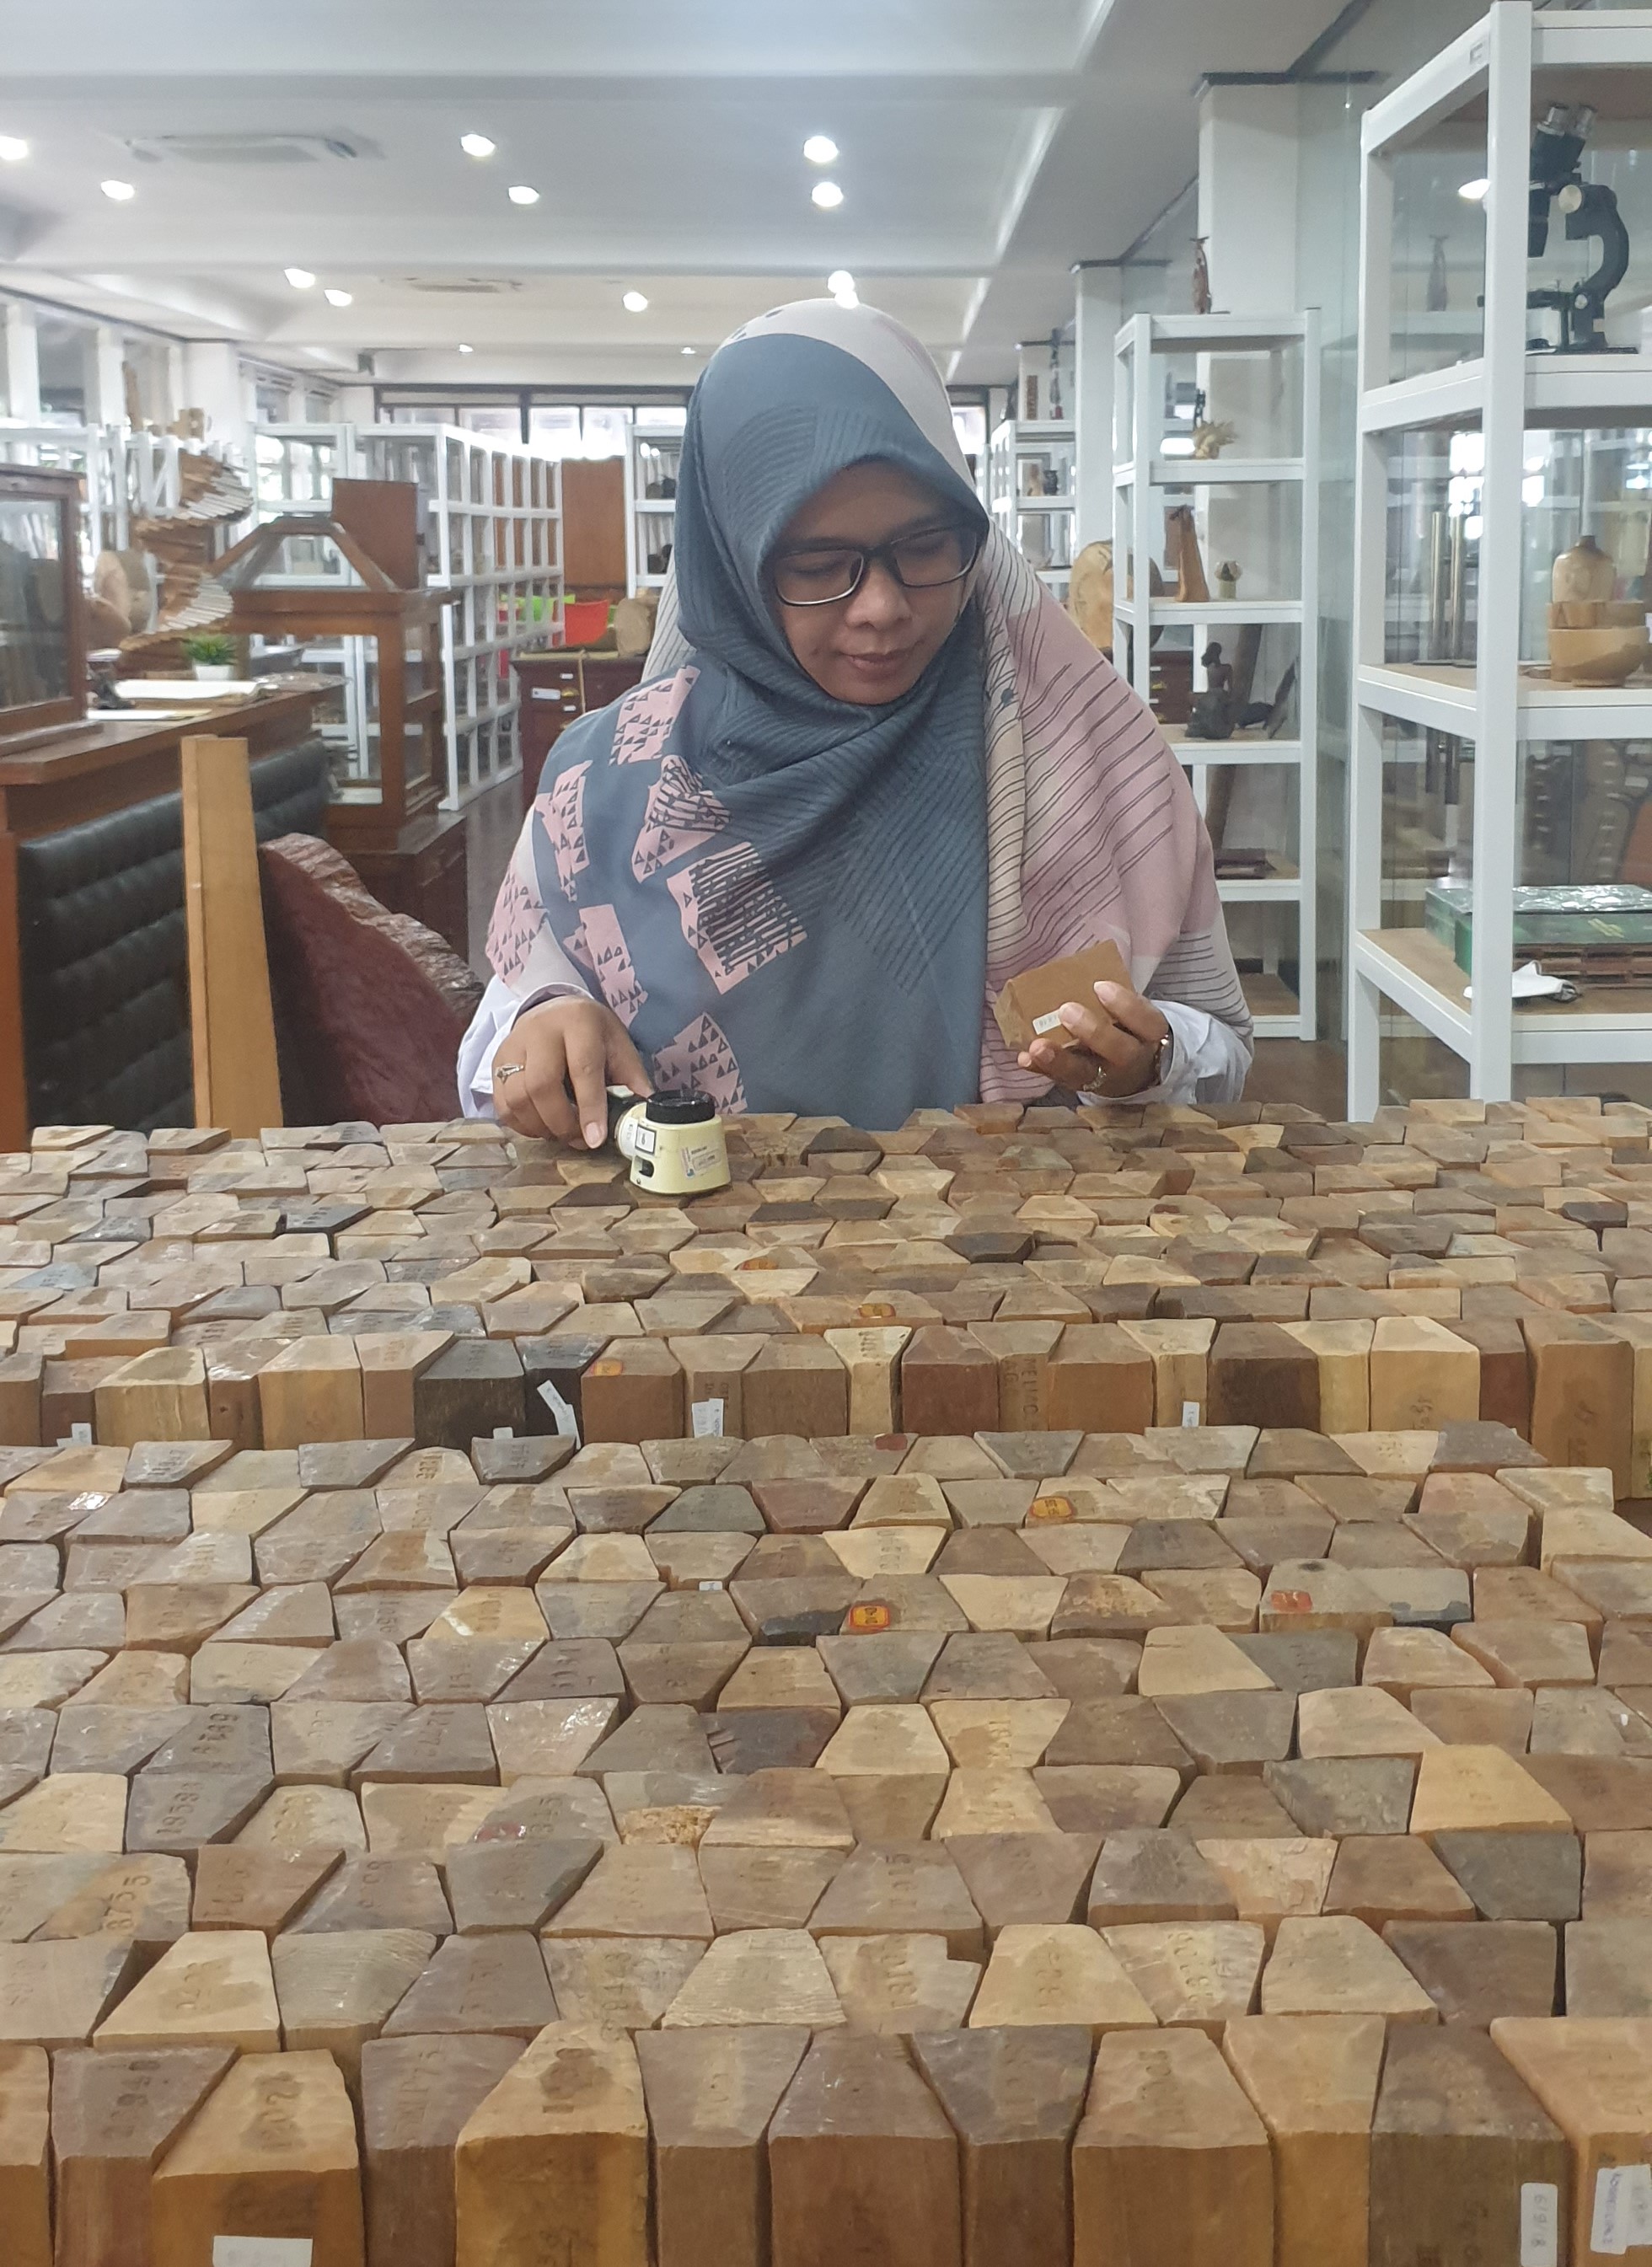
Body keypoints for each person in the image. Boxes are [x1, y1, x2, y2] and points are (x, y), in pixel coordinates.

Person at [461, 298, 1252, 1141]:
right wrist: (540, 1035)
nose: (881, 607)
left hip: (1020, 1255)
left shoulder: (1089, 755)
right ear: (733, 565)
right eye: (816, 564)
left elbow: (1223, 1055)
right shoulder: (608, 787)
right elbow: (498, 1063)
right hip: (697, 1262)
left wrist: (1149, 1062)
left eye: (924, 548)